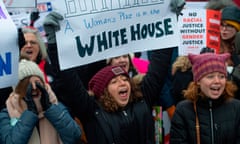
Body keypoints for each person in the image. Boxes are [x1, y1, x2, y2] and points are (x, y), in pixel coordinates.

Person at [0, 58, 81, 144]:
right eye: (28, 85)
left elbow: (74, 136)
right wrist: (30, 113)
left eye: (38, 82)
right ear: (18, 89)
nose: (34, 88)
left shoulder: (55, 105)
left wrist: (49, 108)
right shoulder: (7, 113)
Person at [170, 53, 240, 144]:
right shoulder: (183, 110)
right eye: (210, 76)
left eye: (222, 76)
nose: (217, 81)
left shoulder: (236, 107)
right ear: (198, 80)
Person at [220, 5, 240, 98]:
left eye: (229, 26)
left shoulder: (237, 46)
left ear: (237, 29)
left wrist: (231, 70)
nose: (224, 29)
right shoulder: (213, 44)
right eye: (222, 25)